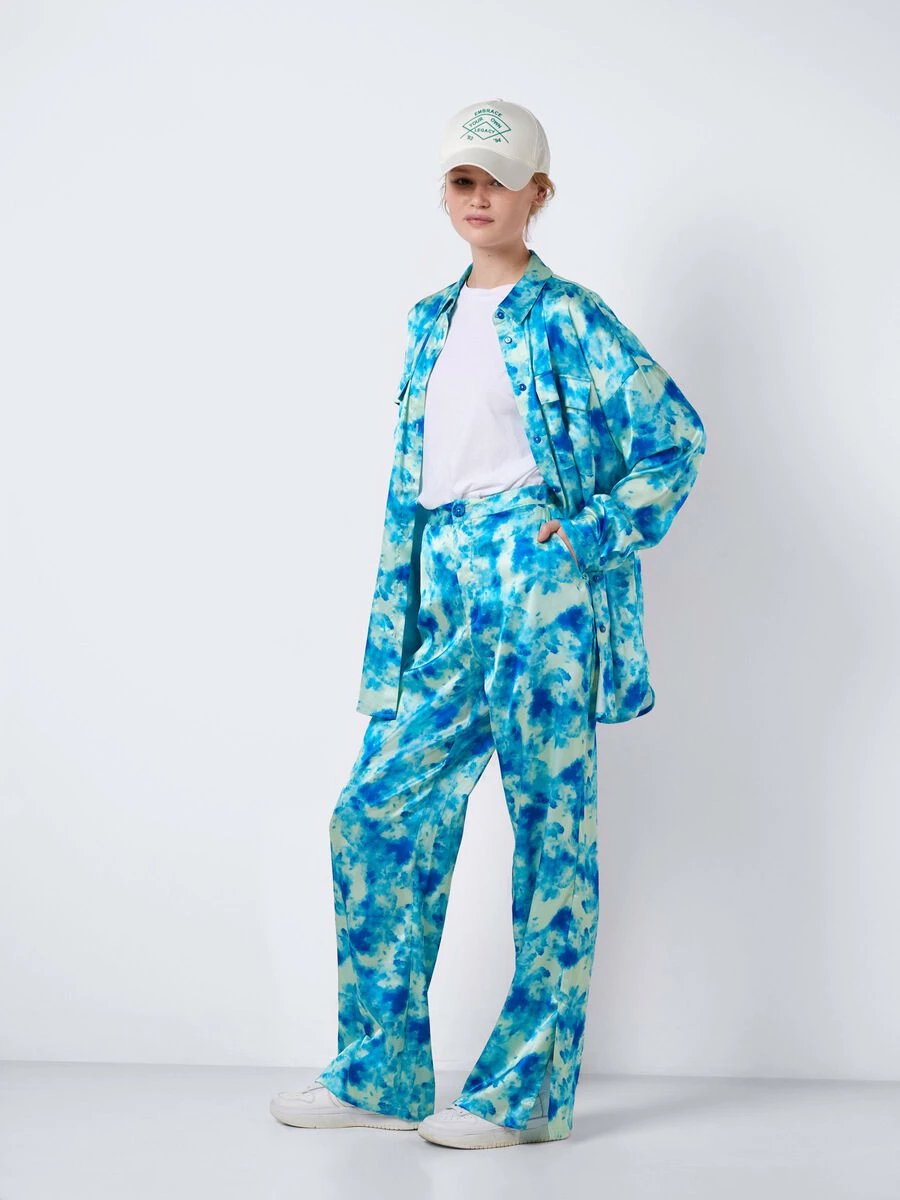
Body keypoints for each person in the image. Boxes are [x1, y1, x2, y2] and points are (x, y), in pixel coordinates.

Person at [269, 97, 707, 1150]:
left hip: (540, 584)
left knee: (551, 834)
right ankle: (381, 1072)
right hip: (445, 584)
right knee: (375, 810)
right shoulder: (429, 320)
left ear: (536, 194)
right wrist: (406, 604)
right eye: (462, 180)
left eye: (498, 181)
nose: (478, 197)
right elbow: (418, 479)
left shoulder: (570, 317)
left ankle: (525, 1094)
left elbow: (676, 438)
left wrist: (587, 534)